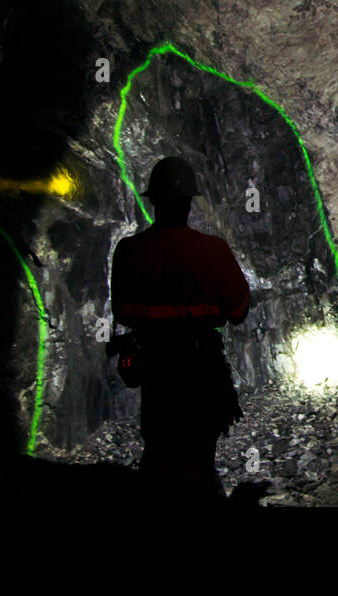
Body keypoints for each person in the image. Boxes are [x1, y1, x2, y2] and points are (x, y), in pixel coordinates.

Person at [110, 156, 250, 501]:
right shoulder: (213, 251)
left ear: (153, 200)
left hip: (158, 373)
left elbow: (123, 312)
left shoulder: (129, 251)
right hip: (202, 372)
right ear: (189, 201)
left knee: (159, 456)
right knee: (200, 459)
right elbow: (238, 311)